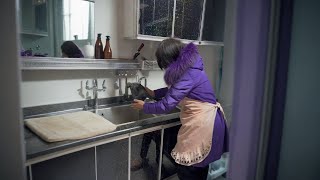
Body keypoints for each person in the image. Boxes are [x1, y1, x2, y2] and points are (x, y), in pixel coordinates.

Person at [132, 38, 229, 180]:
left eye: (165, 64)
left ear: (171, 59)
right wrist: (153, 93)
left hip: (203, 126)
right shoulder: (190, 68)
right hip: (208, 122)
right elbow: (174, 90)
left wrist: (144, 106)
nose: (165, 67)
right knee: (198, 169)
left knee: (188, 170)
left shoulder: (187, 74)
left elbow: (166, 105)